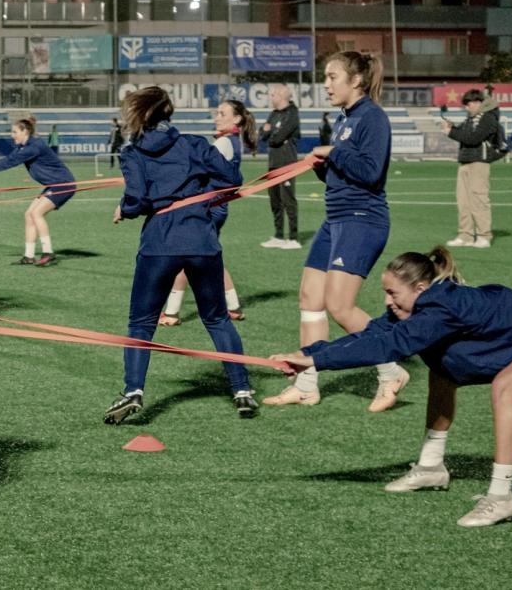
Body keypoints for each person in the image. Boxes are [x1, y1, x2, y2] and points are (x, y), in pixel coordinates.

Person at [271, 246, 512, 528]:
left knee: (506, 387)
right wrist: (309, 354)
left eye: (392, 293)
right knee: (442, 369)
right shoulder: (416, 305)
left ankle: (501, 498)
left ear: (420, 288)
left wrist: (316, 362)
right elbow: (371, 335)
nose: (387, 301)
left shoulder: (443, 307)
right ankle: (431, 467)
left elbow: (391, 345)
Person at [264, 51, 410, 412]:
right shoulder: (345, 119)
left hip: (362, 219)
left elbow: (371, 171)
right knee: (310, 298)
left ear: (355, 81)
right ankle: (306, 384)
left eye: (332, 77)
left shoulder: (372, 117)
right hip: (336, 219)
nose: (325, 84)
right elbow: (341, 172)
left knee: (340, 306)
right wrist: (322, 163)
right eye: (325, 77)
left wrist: (333, 152)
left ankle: (391, 370)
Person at [104, 86, 259, 423]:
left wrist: (125, 209)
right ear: (168, 112)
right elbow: (231, 179)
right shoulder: (194, 143)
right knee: (217, 318)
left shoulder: (132, 152)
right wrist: (200, 192)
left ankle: (133, 391)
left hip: (160, 243)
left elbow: (138, 200)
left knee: (141, 323)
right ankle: (242, 389)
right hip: (202, 241)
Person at [159, 100, 256, 326]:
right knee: (210, 257)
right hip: (216, 207)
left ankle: (171, 313)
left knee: (184, 257)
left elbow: (196, 170)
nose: (216, 117)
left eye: (222, 113)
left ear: (237, 119)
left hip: (209, 208)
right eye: (217, 113)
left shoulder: (223, 142)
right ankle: (233, 306)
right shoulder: (230, 141)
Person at [0, 118, 76, 267]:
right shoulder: (24, 146)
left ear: (25, 131)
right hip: (53, 185)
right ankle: (29, 256)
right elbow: (9, 159)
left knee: (36, 214)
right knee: (29, 215)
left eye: (15, 132)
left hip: (63, 185)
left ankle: (48, 252)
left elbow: (7, 163)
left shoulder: (33, 147)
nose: (12, 135)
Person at [443, 89, 501, 249]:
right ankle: (465, 235)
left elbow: (474, 138)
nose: (467, 108)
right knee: (463, 201)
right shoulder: (471, 118)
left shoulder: (488, 118)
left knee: (478, 199)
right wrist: (453, 128)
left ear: (477, 103)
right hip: (465, 162)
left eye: (468, 105)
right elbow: (464, 134)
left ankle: (484, 236)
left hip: (479, 163)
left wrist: (451, 133)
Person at [260, 86, 301, 250]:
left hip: (287, 163)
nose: (271, 97)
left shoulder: (292, 113)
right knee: (275, 200)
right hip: (273, 163)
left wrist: (272, 134)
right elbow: (263, 135)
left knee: (288, 199)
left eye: (273, 94)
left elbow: (278, 137)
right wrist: (269, 133)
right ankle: (278, 235)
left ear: (282, 95)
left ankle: (293, 238)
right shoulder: (274, 113)